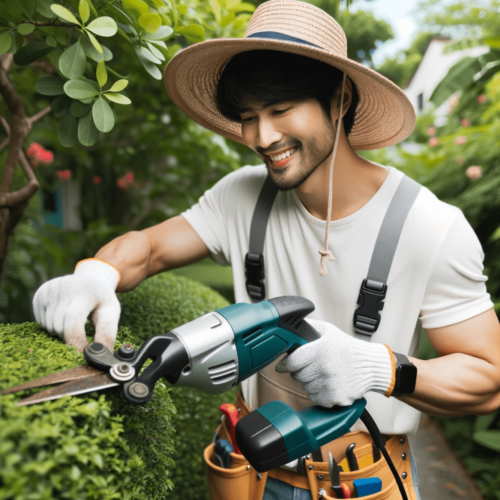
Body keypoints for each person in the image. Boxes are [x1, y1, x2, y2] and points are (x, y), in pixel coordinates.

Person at [33, 1, 500, 498]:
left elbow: (487, 378)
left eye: (280, 110)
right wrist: (96, 274)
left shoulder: (430, 226)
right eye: (249, 116)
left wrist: (382, 368)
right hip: (246, 469)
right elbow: (147, 248)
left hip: (360, 480)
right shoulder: (241, 196)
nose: (262, 136)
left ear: (339, 100)